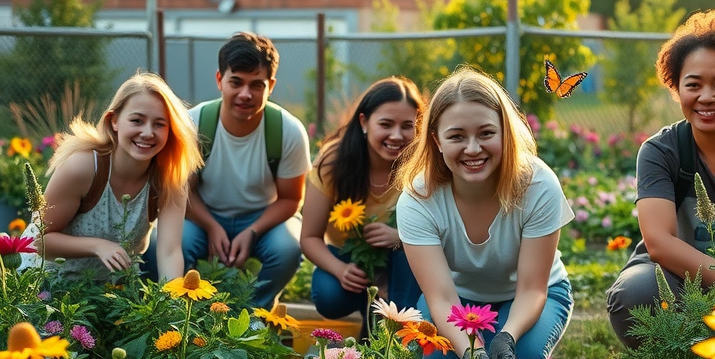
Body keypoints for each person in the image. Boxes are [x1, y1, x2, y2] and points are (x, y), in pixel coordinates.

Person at [395, 66, 574, 359]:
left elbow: (532, 288)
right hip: (456, 300)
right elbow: (441, 298)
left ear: (505, 132)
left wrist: (506, 337)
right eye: (457, 136)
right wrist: (469, 349)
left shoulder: (538, 186)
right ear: (436, 140)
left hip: (532, 297)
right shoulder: (418, 199)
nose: (473, 148)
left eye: (486, 133)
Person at [606, 9, 715, 349]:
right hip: (675, 274)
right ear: (676, 88)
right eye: (693, 85)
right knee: (634, 294)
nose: (706, 97)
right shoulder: (660, 151)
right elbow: (659, 243)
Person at [23, 72, 202, 281]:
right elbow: (39, 241)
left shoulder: (170, 179)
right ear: (114, 121)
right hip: (42, 288)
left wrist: (172, 306)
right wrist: (97, 246)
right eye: (137, 120)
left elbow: (169, 252)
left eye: (159, 124)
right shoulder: (83, 167)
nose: (147, 132)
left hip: (108, 292)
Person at [181, 32, 310, 310]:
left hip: (262, 218)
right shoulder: (194, 124)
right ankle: (188, 313)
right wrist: (212, 226)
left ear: (271, 86)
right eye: (235, 82)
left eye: (256, 85)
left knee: (288, 248)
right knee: (166, 243)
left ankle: (252, 314)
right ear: (219, 80)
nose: (245, 94)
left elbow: (291, 199)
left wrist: (252, 231)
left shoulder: (288, 130)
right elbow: (183, 193)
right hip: (203, 214)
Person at [300, 77, 424, 330]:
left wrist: (400, 237)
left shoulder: (422, 166)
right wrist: (340, 270)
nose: (397, 135)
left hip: (403, 260)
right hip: (350, 257)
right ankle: (372, 321)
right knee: (329, 295)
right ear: (364, 121)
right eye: (386, 124)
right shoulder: (334, 162)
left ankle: (398, 334)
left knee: (407, 255)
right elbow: (309, 237)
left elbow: (439, 234)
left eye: (407, 126)